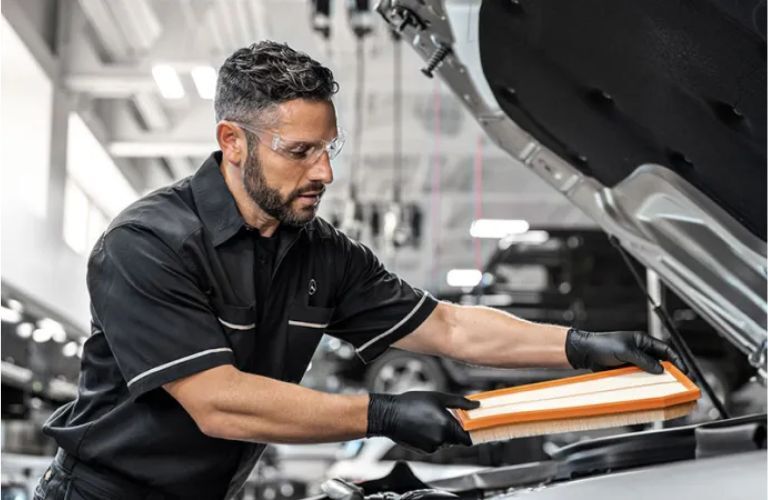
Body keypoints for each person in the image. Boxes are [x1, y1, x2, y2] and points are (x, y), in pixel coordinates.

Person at [34, 41, 683, 500]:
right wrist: (381, 414)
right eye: (300, 151)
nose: (324, 172)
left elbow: (448, 327)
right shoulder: (148, 244)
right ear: (232, 142)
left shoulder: (322, 252)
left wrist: (579, 346)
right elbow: (217, 403)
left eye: (329, 148)